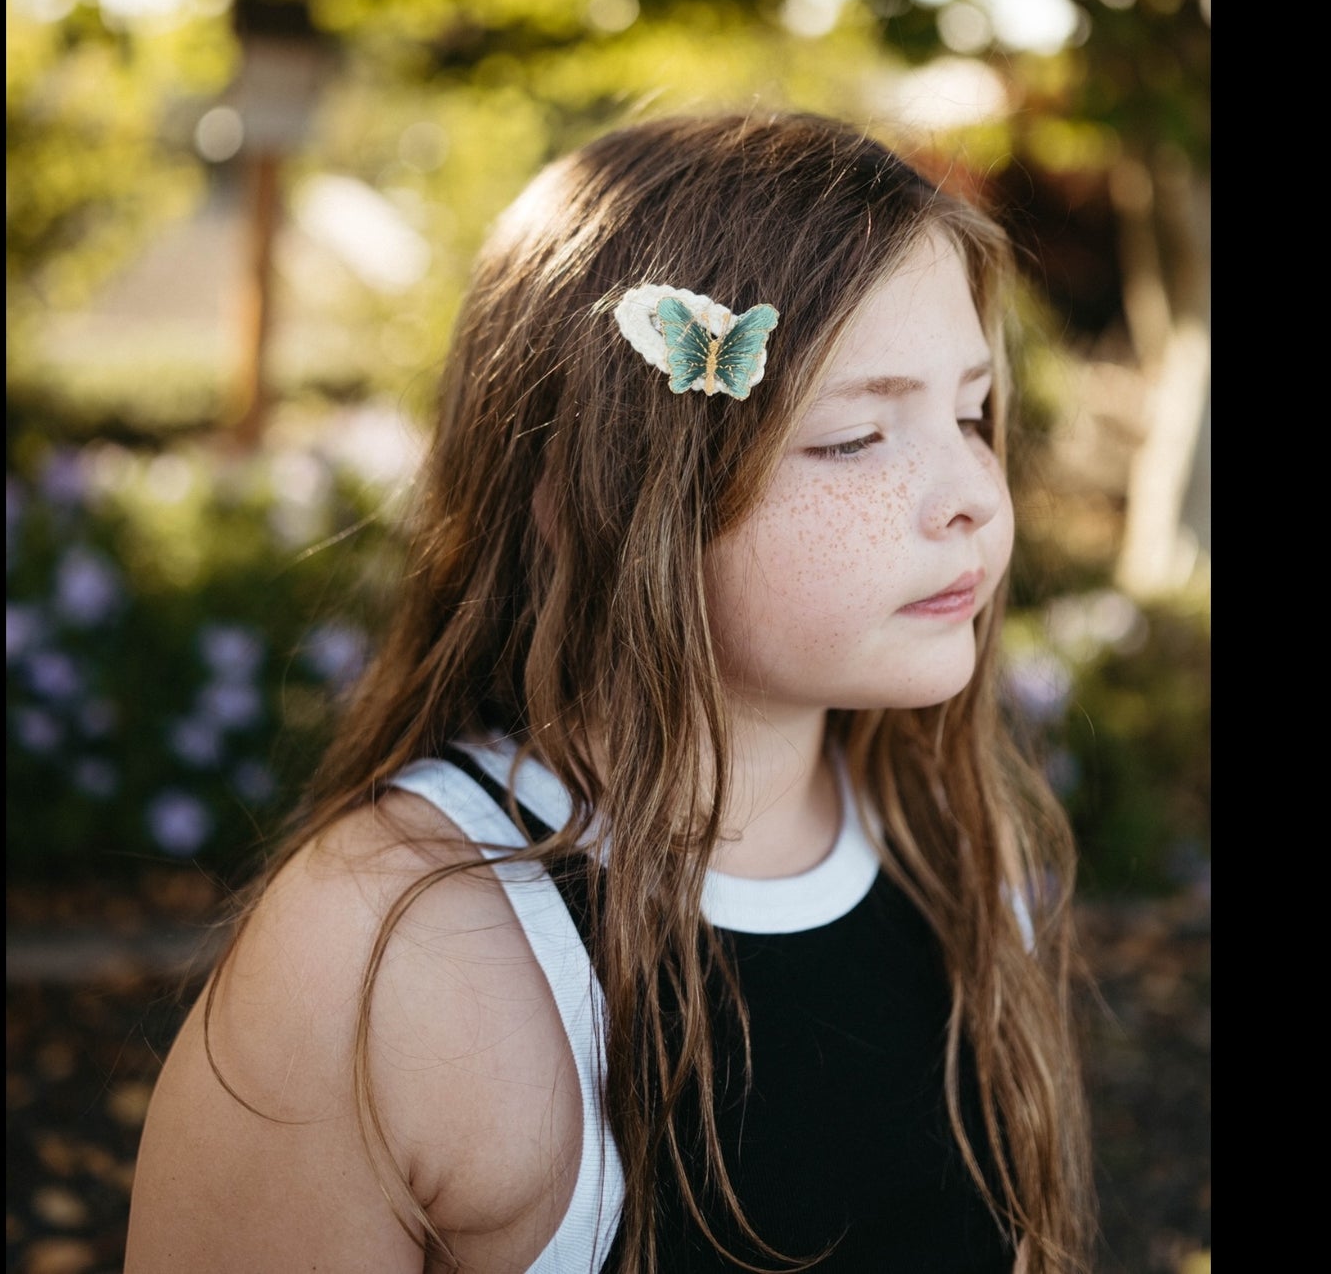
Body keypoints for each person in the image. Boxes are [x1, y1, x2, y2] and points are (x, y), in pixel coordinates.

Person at [125, 111, 1094, 1274]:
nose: (970, 498)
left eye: (969, 412)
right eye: (851, 437)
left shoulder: (957, 856)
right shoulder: (394, 951)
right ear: (594, 494)